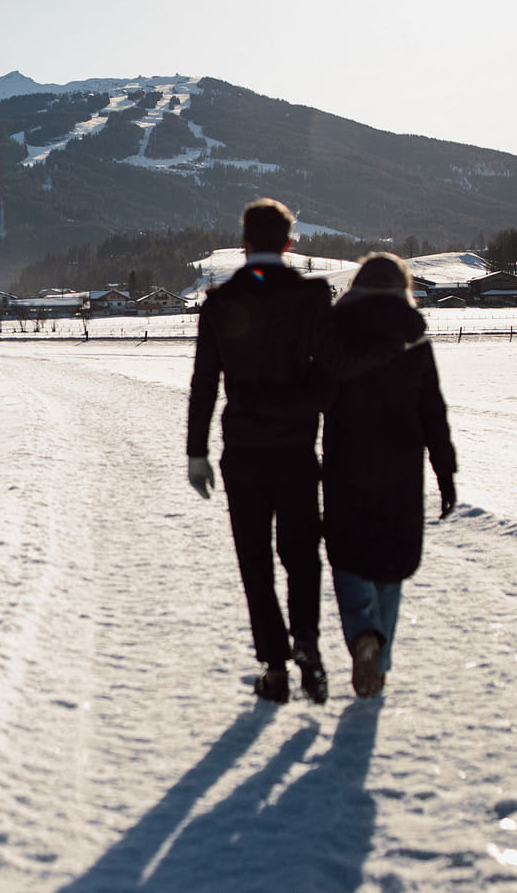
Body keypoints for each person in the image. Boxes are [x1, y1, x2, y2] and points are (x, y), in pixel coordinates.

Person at [187, 198, 331, 704]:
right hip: (296, 447)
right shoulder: (314, 296)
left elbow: (205, 382)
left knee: (255, 560)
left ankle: (275, 668)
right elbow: (328, 377)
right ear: (289, 243)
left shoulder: (221, 302)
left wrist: (196, 452)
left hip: (243, 450)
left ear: (244, 244)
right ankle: (307, 640)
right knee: (301, 554)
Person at [321, 251, 456, 698]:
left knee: (348, 557)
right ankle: (381, 659)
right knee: (390, 565)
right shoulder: (414, 339)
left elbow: (315, 394)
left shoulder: (334, 335)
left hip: (345, 461)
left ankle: (364, 635)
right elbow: (432, 410)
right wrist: (445, 471)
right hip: (401, 467)